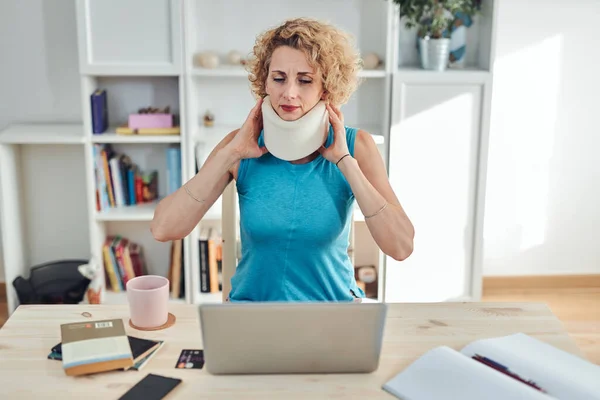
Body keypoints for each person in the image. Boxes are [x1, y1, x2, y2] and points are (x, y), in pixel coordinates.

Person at [151, 17, 414, 302]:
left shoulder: (355, 146)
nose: (289, 93)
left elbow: (401, 247)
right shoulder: (241, 145)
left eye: (305, 80)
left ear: (325, 88)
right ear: (264, 82)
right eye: (278, 78)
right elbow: (164, 228)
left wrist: (344, 162)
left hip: (333, 314)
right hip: (253, 312)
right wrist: (230, 154)